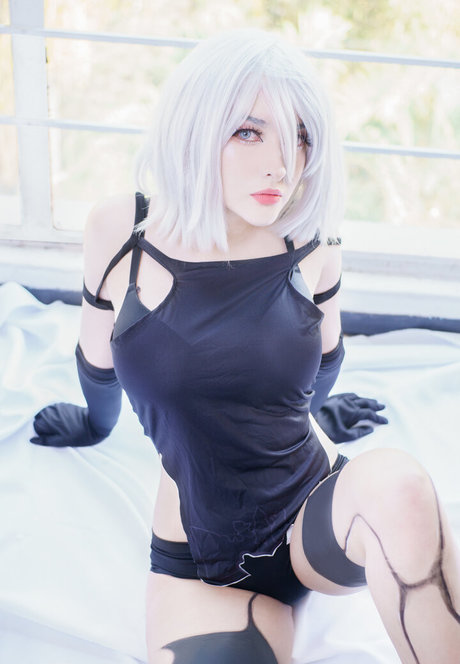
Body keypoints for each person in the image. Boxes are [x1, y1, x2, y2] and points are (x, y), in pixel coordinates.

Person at [30, 29, 459, 664]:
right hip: (203, 567)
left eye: (300, 137)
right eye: (249, 132)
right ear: (195, 126)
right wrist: (94, 424)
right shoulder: (123, 231)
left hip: (316, 517)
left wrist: (314, 411)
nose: (281, 166)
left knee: (400, 485)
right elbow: (97, 358)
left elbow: (327, 356)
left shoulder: (312, 240)